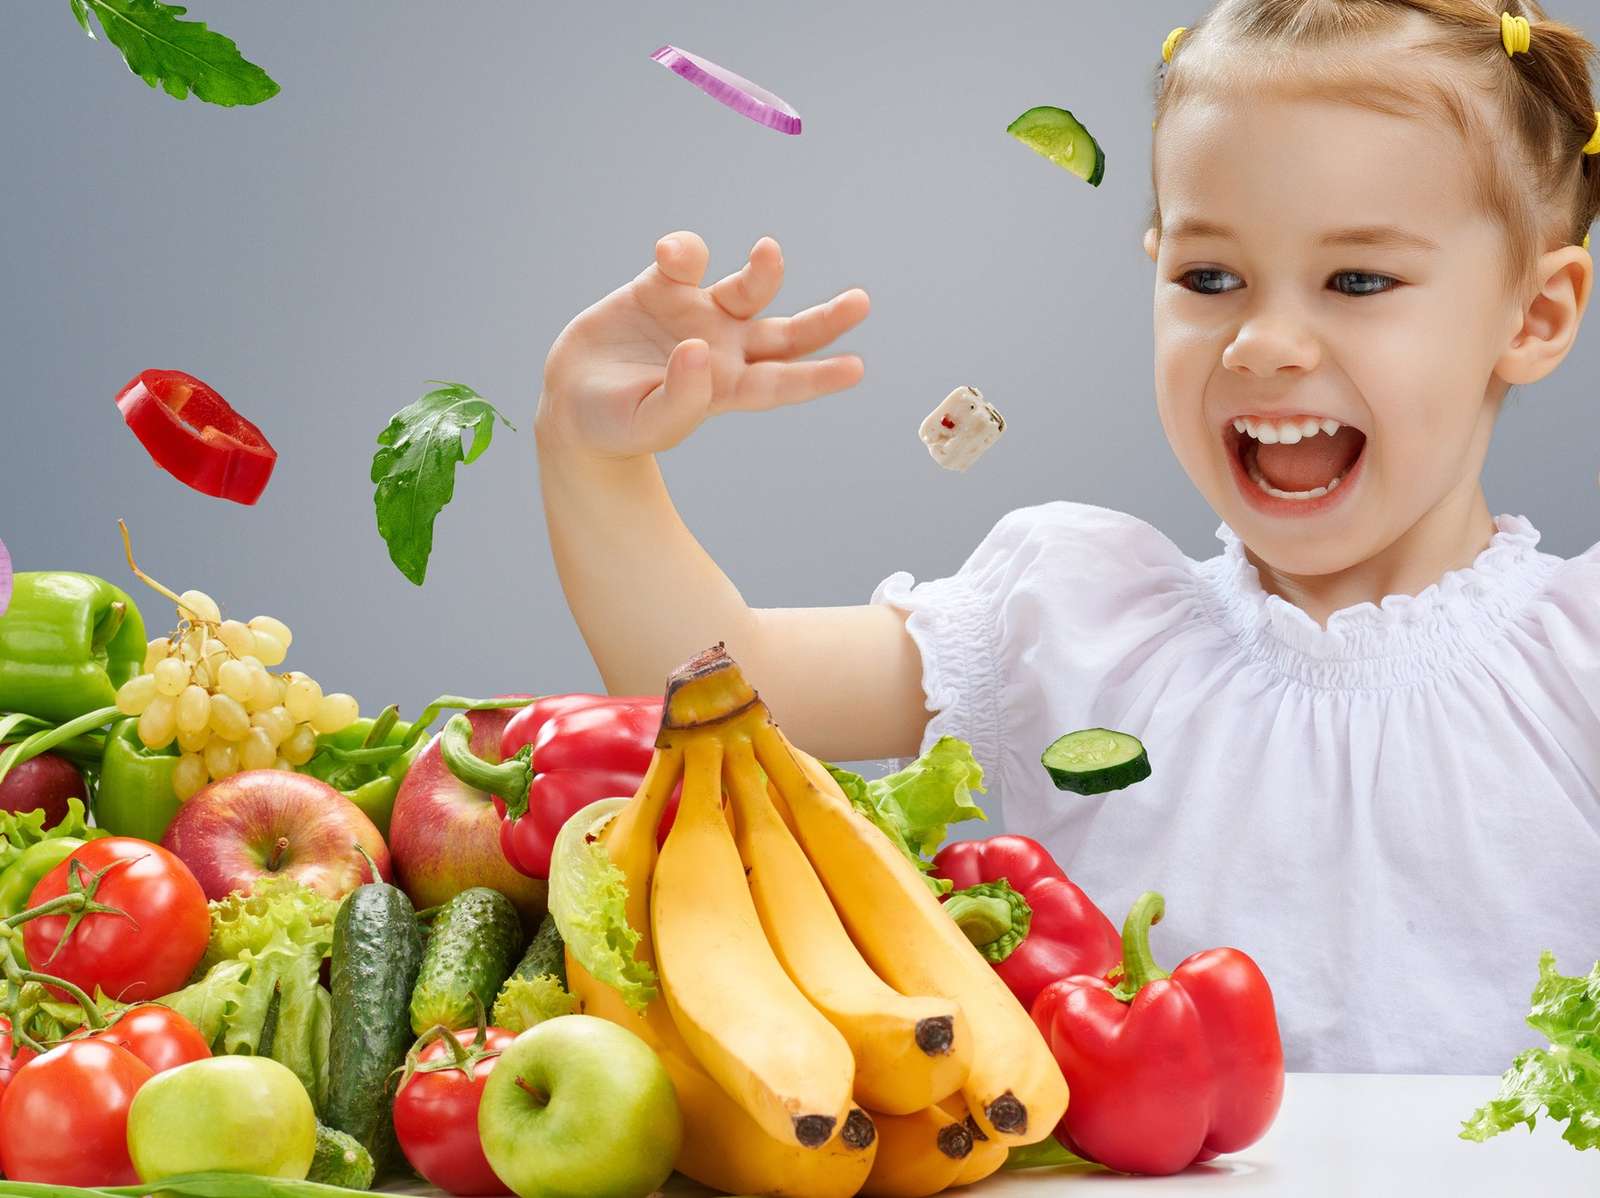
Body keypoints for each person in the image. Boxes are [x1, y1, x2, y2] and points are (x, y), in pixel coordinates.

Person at [534, 0, 1600, 1074]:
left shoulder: (1581, 661)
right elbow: (725, 683)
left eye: (1357, 280)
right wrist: (598, 461)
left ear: (1535, 315)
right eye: (1208, 278)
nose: (1261, 343)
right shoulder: (1072, 622)